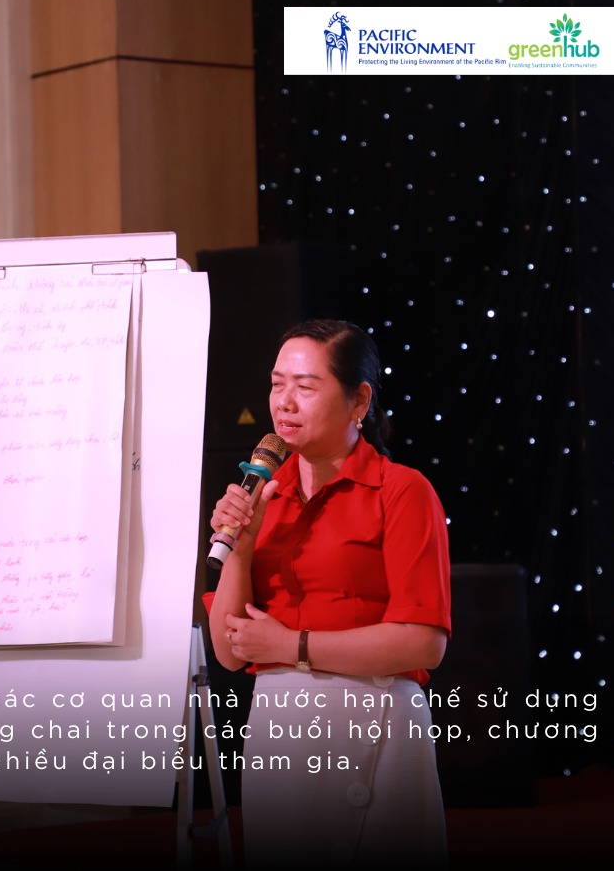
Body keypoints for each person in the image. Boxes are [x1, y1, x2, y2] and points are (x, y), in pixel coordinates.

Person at [207, 319, 451, 869]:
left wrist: (291, 645)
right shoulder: (264, 496)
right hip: (280, 728)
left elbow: (424, 643)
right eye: (277, 384)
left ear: (358, 400)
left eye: (306, 386)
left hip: (374, 717)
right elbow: (229, 651)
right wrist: (241, 548)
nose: (284, 402)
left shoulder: (401, 490)